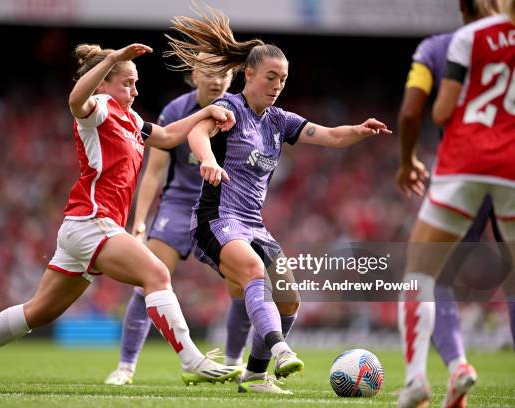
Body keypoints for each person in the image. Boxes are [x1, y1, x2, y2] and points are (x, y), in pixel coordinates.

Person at [0, 42, 243, 389]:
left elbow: (169, 136)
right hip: (93, 223)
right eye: (127, 82)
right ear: (104, 84)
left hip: (85, 228)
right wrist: (112, 58)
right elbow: (75, 101)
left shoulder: (132, 119)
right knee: (156, 272)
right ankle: (192, 361)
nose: (135, 90)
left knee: (38, 312)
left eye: (136, 83)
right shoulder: (99, 109)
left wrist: (205, 114)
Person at [165, 6, 391, 394]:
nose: (277, 85)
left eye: (283, 80)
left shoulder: (278, 120)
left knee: (289, 299)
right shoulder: (228, 109)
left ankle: (254, 376)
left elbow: (329, 137)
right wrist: (207, 161)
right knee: (254, 272)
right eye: (271, 77)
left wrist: (359, 129)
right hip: (216, 219)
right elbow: (197, 134)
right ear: (248, 74)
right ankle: (281, 350)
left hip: (253, 224)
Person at [105, 58, 252, 385]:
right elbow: (154, 170)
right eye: (210, 73)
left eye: (225, 74)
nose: (217, 81)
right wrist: (140, 221)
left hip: (221, 208)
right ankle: (126, 367)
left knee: (244, 283)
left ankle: (233, 361)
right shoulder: (175, 111)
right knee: (148, 279)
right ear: (193, 75)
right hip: (178, 204)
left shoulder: (241, 111)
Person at [397, 0, 515, 406]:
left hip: (464, 166)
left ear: (461, 7)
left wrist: (405, 161)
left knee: (425, 272)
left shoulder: (448, 43)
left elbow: (430, 111)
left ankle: (436, 372)